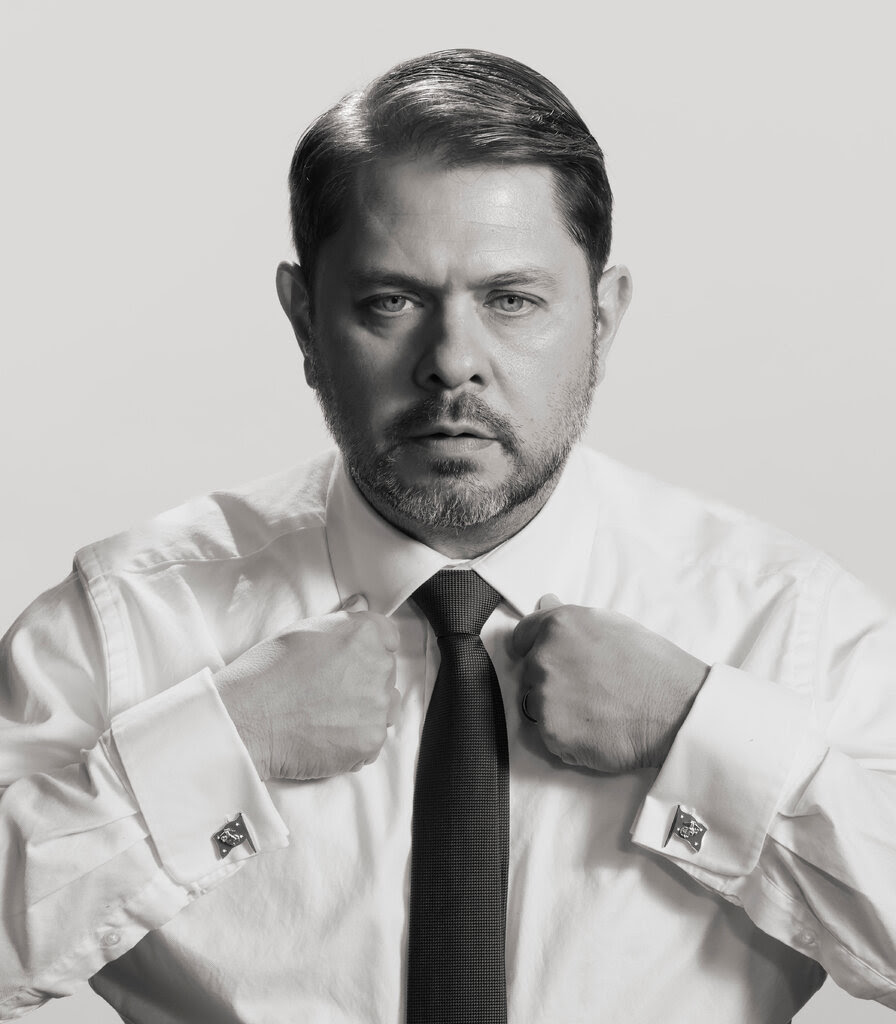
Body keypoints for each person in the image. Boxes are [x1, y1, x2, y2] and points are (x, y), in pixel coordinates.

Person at [1, 47, 895, 1024]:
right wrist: (221, 743)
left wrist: (694, 733)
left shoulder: (791, 629)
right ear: (304, 318)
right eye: (392, 300)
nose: (452, 363)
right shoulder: (126, 622)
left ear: (601, 317)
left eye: (510, 300)